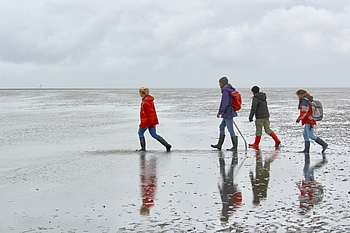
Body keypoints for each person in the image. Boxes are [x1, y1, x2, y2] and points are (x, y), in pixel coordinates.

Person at [138, 87, 172, 152]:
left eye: (139, 93)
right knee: (154, 135)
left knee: (140, 133)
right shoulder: (147, 100)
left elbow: (151, 112)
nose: (139, 94)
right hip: (149, 120)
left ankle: (143, 149)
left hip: (146, 121)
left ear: (142, 93)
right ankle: (167, 145)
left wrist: (151, 122)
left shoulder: (146, 101)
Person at [211, 77, 238, 151]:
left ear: (222, 83)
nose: (219, 85)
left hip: (228, 112)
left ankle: (235, 146)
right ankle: (219, 145)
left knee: (230, 128)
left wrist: (220, 112)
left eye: (219, 83)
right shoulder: (229, 89)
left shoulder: (226, 91)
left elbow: (224, 103)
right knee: (222, 126)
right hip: (228, 111)